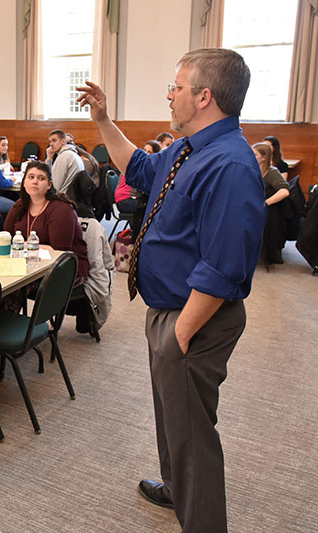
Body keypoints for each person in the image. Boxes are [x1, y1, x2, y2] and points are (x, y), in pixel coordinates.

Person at [78, 47, 265, 533]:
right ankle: (176, 487)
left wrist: (180, 333)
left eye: (176, 88)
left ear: (203, 97)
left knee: (192, 434)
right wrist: (103, 120)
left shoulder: (230, 165)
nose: (169, 96)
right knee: (173, 419)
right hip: (170, 311)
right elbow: (136, 166)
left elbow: (223, 268)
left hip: (195, 317)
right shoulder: (189, 148)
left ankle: (202, 519)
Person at [4, 160, 89, 281]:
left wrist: (22, 245)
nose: (35, 181)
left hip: (64, 268)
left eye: (41, 178)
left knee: (14, 288)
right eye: (31, 177)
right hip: (28, 265)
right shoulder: (19, 206)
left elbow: (60, 251)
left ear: (49, 185)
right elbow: (7, 237)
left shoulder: (61, 210)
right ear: (24, 183)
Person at [253, 142, 290, 264]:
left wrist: (266, 203)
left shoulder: (272, 172)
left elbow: (284, 191)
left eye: (255, 155)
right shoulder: (254, 170)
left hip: (265, 211)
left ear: (264, 158)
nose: (252, 157)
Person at [44, 129, 84, 194]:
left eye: (54, 140)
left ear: (63, 141)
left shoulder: (64, 157)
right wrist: (49, 157)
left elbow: (56, 187)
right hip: (72, 197)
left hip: (63, 198)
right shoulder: (71, 153)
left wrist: (48, 158)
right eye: (50, 141)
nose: (51, 144)